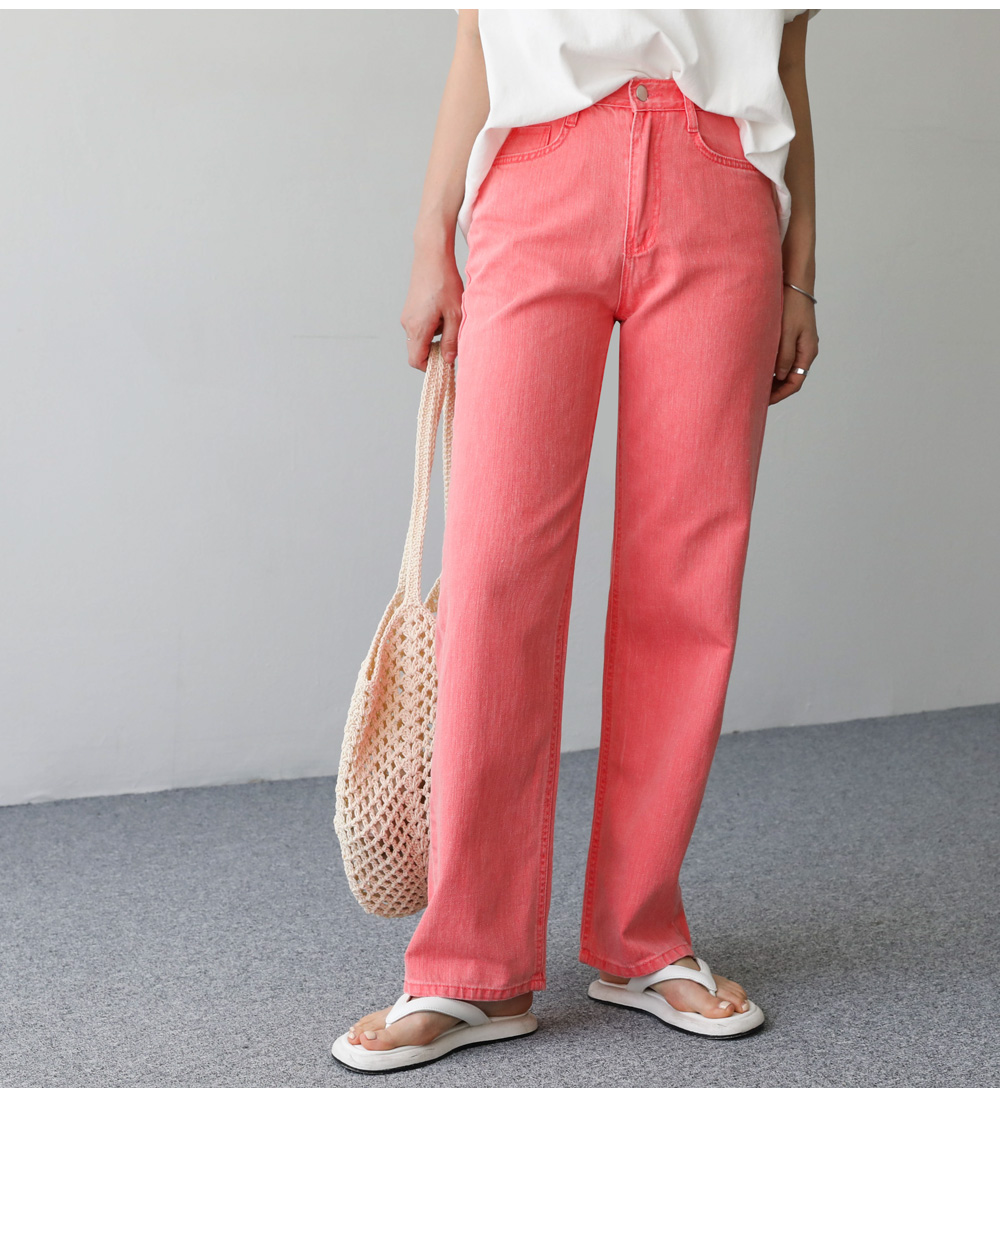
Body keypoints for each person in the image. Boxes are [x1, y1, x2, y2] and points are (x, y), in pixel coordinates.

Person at [332, 8, 820, 1073]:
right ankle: (469, 965)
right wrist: (431, 242)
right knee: (496, 576)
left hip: (722, 185)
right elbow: (478, 31)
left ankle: (643, 938)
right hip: (539, 176)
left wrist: (799, 275)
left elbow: (785, 58)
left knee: (687, 577)